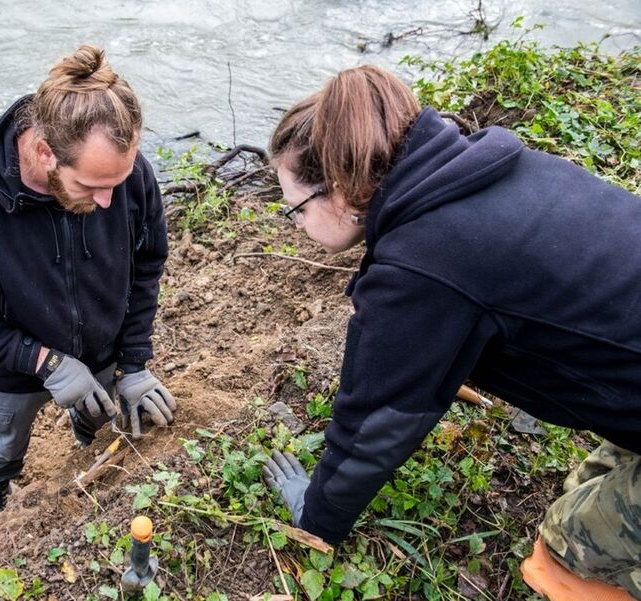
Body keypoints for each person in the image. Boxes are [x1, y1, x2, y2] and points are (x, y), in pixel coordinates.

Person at [261, 65, 640, 598]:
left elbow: (376, 421)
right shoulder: (496, 168)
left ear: (341, 189)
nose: (297, 225)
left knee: (570, 546)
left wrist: (315, 515)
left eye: (295, 210)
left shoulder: (426, 265)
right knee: (591, 483)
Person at [0, 45, 176, 516]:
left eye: (120, 179)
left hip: (101, 351)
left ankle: (85, 439)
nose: (110, 200)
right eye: (91, 186)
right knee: (3, 439)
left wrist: (133, 362)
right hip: (6, 374)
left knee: (96, 413)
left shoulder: (126, 178)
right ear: (43, 151)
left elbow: (147, 265)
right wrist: (44, 362)